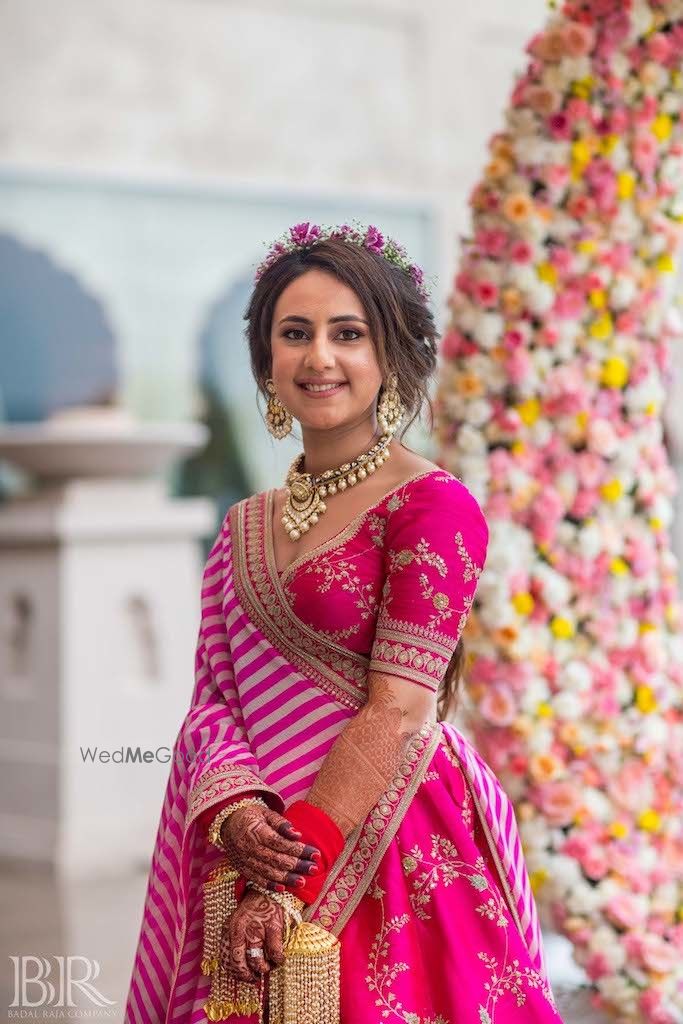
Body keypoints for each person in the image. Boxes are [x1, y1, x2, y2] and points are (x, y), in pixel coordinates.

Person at [124, 221, 561, 1024]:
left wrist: (285, 881)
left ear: (389, 356)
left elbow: (397, 707)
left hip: (392, 835)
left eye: (347, 334)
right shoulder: (243, 525)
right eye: (294, 334)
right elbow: (214, 700)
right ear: (266, 363)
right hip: (262, 836)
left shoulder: (432, 507)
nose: (318, 357)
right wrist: (238, 812)